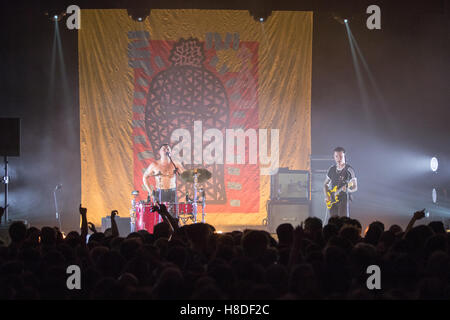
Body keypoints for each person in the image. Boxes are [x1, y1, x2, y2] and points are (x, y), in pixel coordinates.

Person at [323, 147, 357, 218]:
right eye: (336, 156)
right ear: (334, 157)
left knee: (343, 220)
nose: (338, 159)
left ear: (344, 156)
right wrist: (327, 195)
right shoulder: (331, 169)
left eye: (341, 156)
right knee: (333, 221)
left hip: (343, 199)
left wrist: (348, 189)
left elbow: (355, 187)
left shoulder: (349, 170)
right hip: (332, 199)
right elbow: (325, 184)